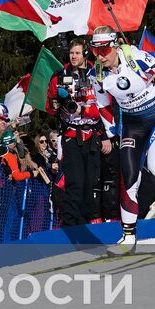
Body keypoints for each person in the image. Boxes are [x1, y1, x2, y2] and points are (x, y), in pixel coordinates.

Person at [89, 27, 155, 252]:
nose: (100, 54)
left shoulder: (135, 56)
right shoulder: (97, 74)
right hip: (132, 126)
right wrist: (111, 132)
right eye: (95, 50)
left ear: (116, 45)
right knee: (129, 178)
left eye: (105, 48)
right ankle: (128, 237)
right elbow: (103, 105)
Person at [46, 39, 108, 226]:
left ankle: (87, 223)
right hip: (71, 135)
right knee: (75, 183)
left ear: (85, 54)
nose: (73, 57)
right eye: (71, 53)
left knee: (91, 183)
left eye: (77, 53)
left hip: (92, 134)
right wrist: (55, 104)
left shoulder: (97, 74)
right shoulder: (59, 76)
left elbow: (106, 106)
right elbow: (49, 105)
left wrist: (105, 135)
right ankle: (70, 225)